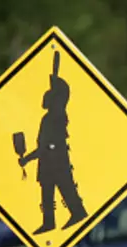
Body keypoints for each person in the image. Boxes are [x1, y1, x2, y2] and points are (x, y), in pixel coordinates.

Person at [17, 50, 88, 235]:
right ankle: (49, 221)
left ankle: (77, 212)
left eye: (47, 96)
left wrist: (55, 80)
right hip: (47, 160)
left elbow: (63, 92)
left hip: (56, 158)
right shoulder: (47, 118)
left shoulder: (57, 115)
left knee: (66, 186)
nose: (43, 98)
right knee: (47, 191)